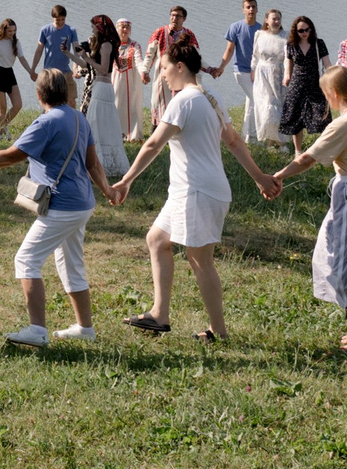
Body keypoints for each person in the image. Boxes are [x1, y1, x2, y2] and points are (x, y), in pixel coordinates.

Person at [109, 42, 278, 342]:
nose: (161, 76)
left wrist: (126, 180)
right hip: (194, 190)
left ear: (180, 67)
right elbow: (234, 141)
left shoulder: (183, 100)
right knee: (157, 240)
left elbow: (152, 144)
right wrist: (259, 178)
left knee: (200, 260)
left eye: (163, 69)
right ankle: (160, 314)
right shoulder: (212, 97)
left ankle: (219, 331)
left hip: (197, 191)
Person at [0, 69, 110, 346]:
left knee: (26, 260)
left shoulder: (46, 122)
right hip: (83, 203)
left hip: (62, 206)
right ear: (65, 92)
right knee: (71, 265)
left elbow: (12, 156)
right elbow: (92, 163)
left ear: (38, 95)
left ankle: (37, 330)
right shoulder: (79, 117)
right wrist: (108, 190)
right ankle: (85, 328)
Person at [267, 66, 347, 351]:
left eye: (325, 94)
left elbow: (308, 158)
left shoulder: (345, 123)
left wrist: (278, 176)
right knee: (333, 251)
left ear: (334, 94)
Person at [278, 16, 332, 150]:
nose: (304, 33)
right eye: (301, 31)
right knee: (296, 119)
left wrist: (335, 77)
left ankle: (322, 149)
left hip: (315, 84)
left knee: (323, 118)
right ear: (295, 32)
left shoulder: (319, 43)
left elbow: (327, 65)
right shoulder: (291, 45)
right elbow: (288, 64)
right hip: (297, 85)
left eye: (307, 29)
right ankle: (298, 151)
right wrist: (286, 77)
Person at [82, 14, 127, 174]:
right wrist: (70, 54)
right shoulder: (101, 44)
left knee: (98, 122)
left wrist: (87, 59)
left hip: (104, 86)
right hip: (99, 85)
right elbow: (89, 65)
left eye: (94, 26)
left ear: (100, 27)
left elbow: (103, 68)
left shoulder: (107, 45)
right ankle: (96, 161)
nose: (92, 28)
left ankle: (103, 163)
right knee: (95, 121)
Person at [246, 10, 288, 151]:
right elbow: (255, 56)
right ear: (266, 20)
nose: (276, 21)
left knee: (277, 108)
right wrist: (253, 70)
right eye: (274, 19)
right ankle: (270, 141)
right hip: (261, 75)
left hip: (277, 75)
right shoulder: (259, 34)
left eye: (278, 19)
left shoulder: (285, 37)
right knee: (264, 107)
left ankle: (281, 142)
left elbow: (288, 58)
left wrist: (287, 74)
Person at [214, 0, 263, 119]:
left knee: (251, 104)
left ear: (257, 10)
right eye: (248, 7)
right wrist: (221, 67)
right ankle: (261, 133)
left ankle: (248, 136)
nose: (251, 9)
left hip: (257, 72)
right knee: (258, 100)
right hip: (241, 71)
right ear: (243, 10)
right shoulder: (235, 27)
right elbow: (229, 50)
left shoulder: (262, 29)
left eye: (253, 7)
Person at [0, 19, 25, 132]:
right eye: (10, 31)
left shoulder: (16, 42)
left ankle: (1, 127)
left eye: (14, 31)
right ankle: (1, 132)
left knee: (18, 104)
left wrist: (31, 72)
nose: (12, 33)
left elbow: (22, 58)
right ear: (4, 30)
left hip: (9, 73)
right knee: (2, 107)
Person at [30, 4, 78, 78]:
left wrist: (75, 68)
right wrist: (32, 69)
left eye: (63, 19)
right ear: (53, 18)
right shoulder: (45, 30)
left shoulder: (71, 31)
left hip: (66, 72)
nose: (60, 22)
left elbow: (76, 51)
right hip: (49, 74)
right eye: (57, 20)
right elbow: (39, 51)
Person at [114, 20, 142, 141]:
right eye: (122, 28)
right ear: (116, 29)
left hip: (130, 81)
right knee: (115, 104)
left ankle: (131, 134)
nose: (125, 30)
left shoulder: (135, 46)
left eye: (127, 28)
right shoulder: (111, 44)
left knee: (131, 106)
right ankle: (114, 132)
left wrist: (143, 73)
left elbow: (139, 62)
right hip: (114, 80)